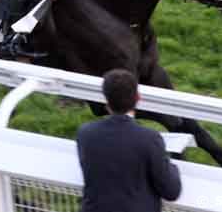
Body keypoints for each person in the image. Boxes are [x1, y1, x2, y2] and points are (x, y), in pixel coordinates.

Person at [76, 69, 182, 212]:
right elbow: (171, 191)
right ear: (137, 98)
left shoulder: (85, 133)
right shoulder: (150, 139)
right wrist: (172, 166)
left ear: (106, 100)